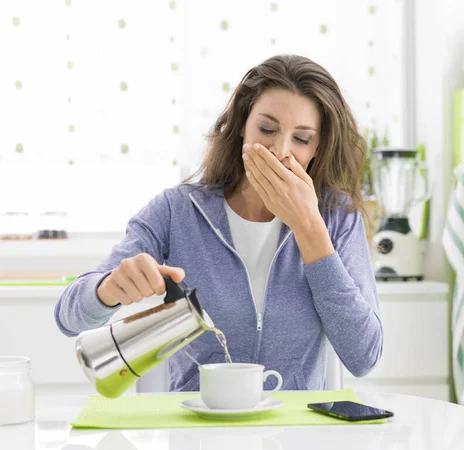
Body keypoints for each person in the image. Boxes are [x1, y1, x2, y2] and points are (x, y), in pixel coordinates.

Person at [54, 54, 383, 392]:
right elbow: (68, 317)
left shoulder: (337, 218)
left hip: (295, 433)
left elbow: (364, 356)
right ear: (242, 123)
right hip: (197, 435)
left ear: (317, 147)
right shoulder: (177, 210)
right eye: (266, 129)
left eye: (301, 139)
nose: (279, 151)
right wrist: (108, 289)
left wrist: (309, 227)